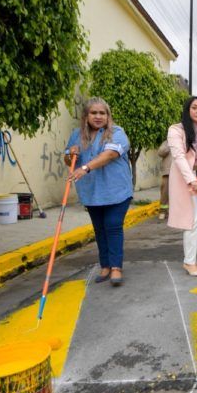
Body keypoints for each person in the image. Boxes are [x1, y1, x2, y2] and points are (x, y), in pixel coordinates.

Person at [65, 97, 133, 287]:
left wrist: (85, 167)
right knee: (99, 229)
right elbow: (68, 160)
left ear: (108, 116)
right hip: (92, 192)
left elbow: (109, 155)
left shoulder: (117, 133)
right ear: (86, 116)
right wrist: (71, 154)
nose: (98, 116)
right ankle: (105, 265)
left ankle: (116, 267)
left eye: (102, 113)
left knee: (112, 225)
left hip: (117, 191)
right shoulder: (76, 135)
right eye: (93, 113)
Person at [167, 96, 197, 276]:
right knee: (192, 220)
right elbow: (178, 156)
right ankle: (189, 262)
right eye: (194, 108)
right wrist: (190, 180)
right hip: (184, 180)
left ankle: (192, 258)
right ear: (187, 110)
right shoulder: (176, 129)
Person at [157, 139, 172, 220]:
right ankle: (163, 211)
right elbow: (160, 153)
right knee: (165, 193)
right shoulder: (166, 142)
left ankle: (174, 212)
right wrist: (169, 145)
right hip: (168, 172)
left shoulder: (183, 140)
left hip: (180, 173)